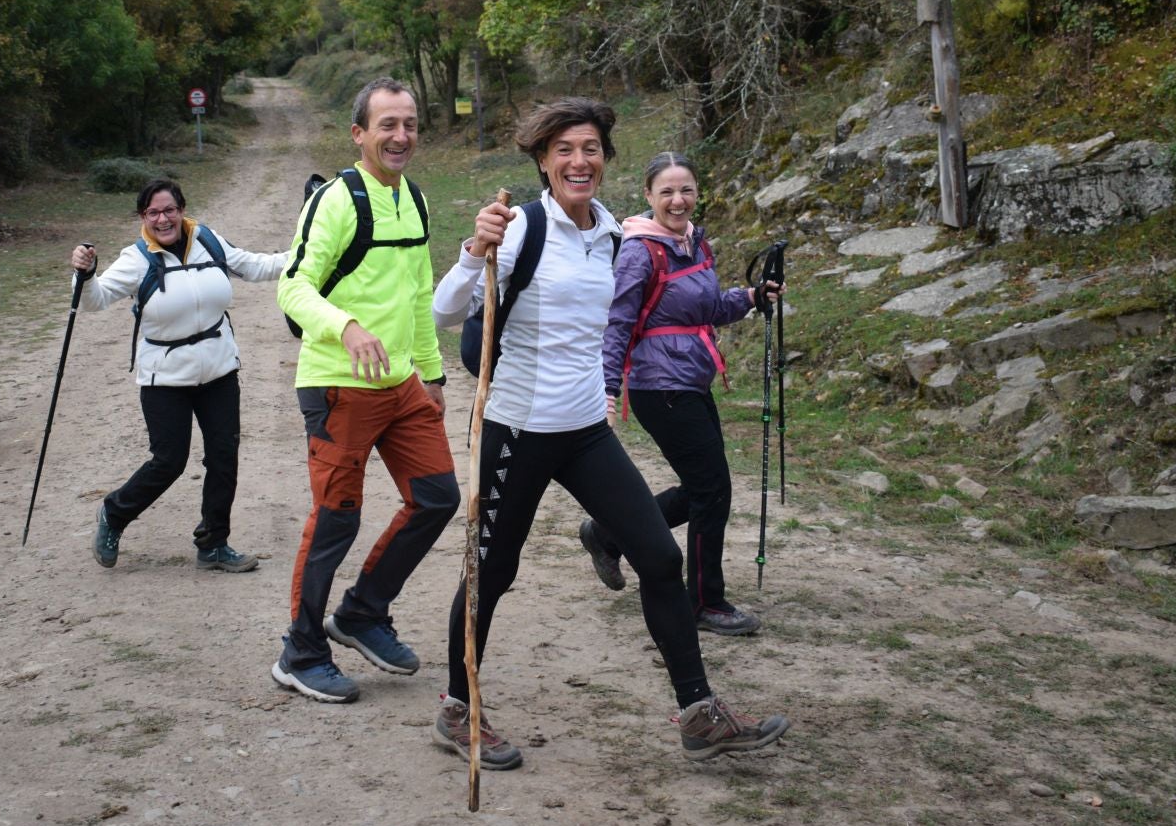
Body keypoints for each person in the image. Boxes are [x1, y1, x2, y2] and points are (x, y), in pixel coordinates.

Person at [431, 100, 788, 769]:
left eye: (591, 147)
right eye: (564, 148)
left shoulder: (610, 236)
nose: (579, 160)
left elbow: (648, 310)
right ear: (542, 159)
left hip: (584, 429)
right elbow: (445, 312)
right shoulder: (518, 229)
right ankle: (457, 707)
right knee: (493, 572)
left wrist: (737, 307)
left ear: (605, 158)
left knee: (658, 558)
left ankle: (699, 714)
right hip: (516, 430)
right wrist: (472, 250)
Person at [271, 77, 459, 704]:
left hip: (401, 383)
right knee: (336, 521)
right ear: (360, 134)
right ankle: (299, 653)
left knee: (436, 498)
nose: (401, 136)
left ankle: (361, 613)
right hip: (337, 385)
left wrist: (430, 374)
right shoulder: (336, 200)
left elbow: (416, 292)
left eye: (409, 124)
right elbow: (293, 286)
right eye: (387, 125)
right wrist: (345, 326)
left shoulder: (415, 198)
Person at [580, 151, 782, 636]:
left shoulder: (694, 243)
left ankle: (608, 535)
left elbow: (706, 308)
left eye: (686, 189)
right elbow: (617, 322)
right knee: (712, 490)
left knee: (704, 489)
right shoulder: (639, 251)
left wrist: (751, 297)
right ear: (648, 196)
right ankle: (703, 602)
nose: (677, 199)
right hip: (659, 386)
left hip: (692, 379)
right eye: (666, 191)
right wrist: (608, 388)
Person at [69, 179, 288, 572]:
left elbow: (254, 266)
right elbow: (95, 301)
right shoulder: (136, 259)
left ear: (182, 209)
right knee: (169, 460)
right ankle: (114, 514)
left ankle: (214, 545)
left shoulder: (209, 241)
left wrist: (304, 256)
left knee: (224, 456)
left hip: (219, 370)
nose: (163, 218)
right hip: (165, 378)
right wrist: (84, 276)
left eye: (169, 209)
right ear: (143, 218)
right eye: (153, 212)